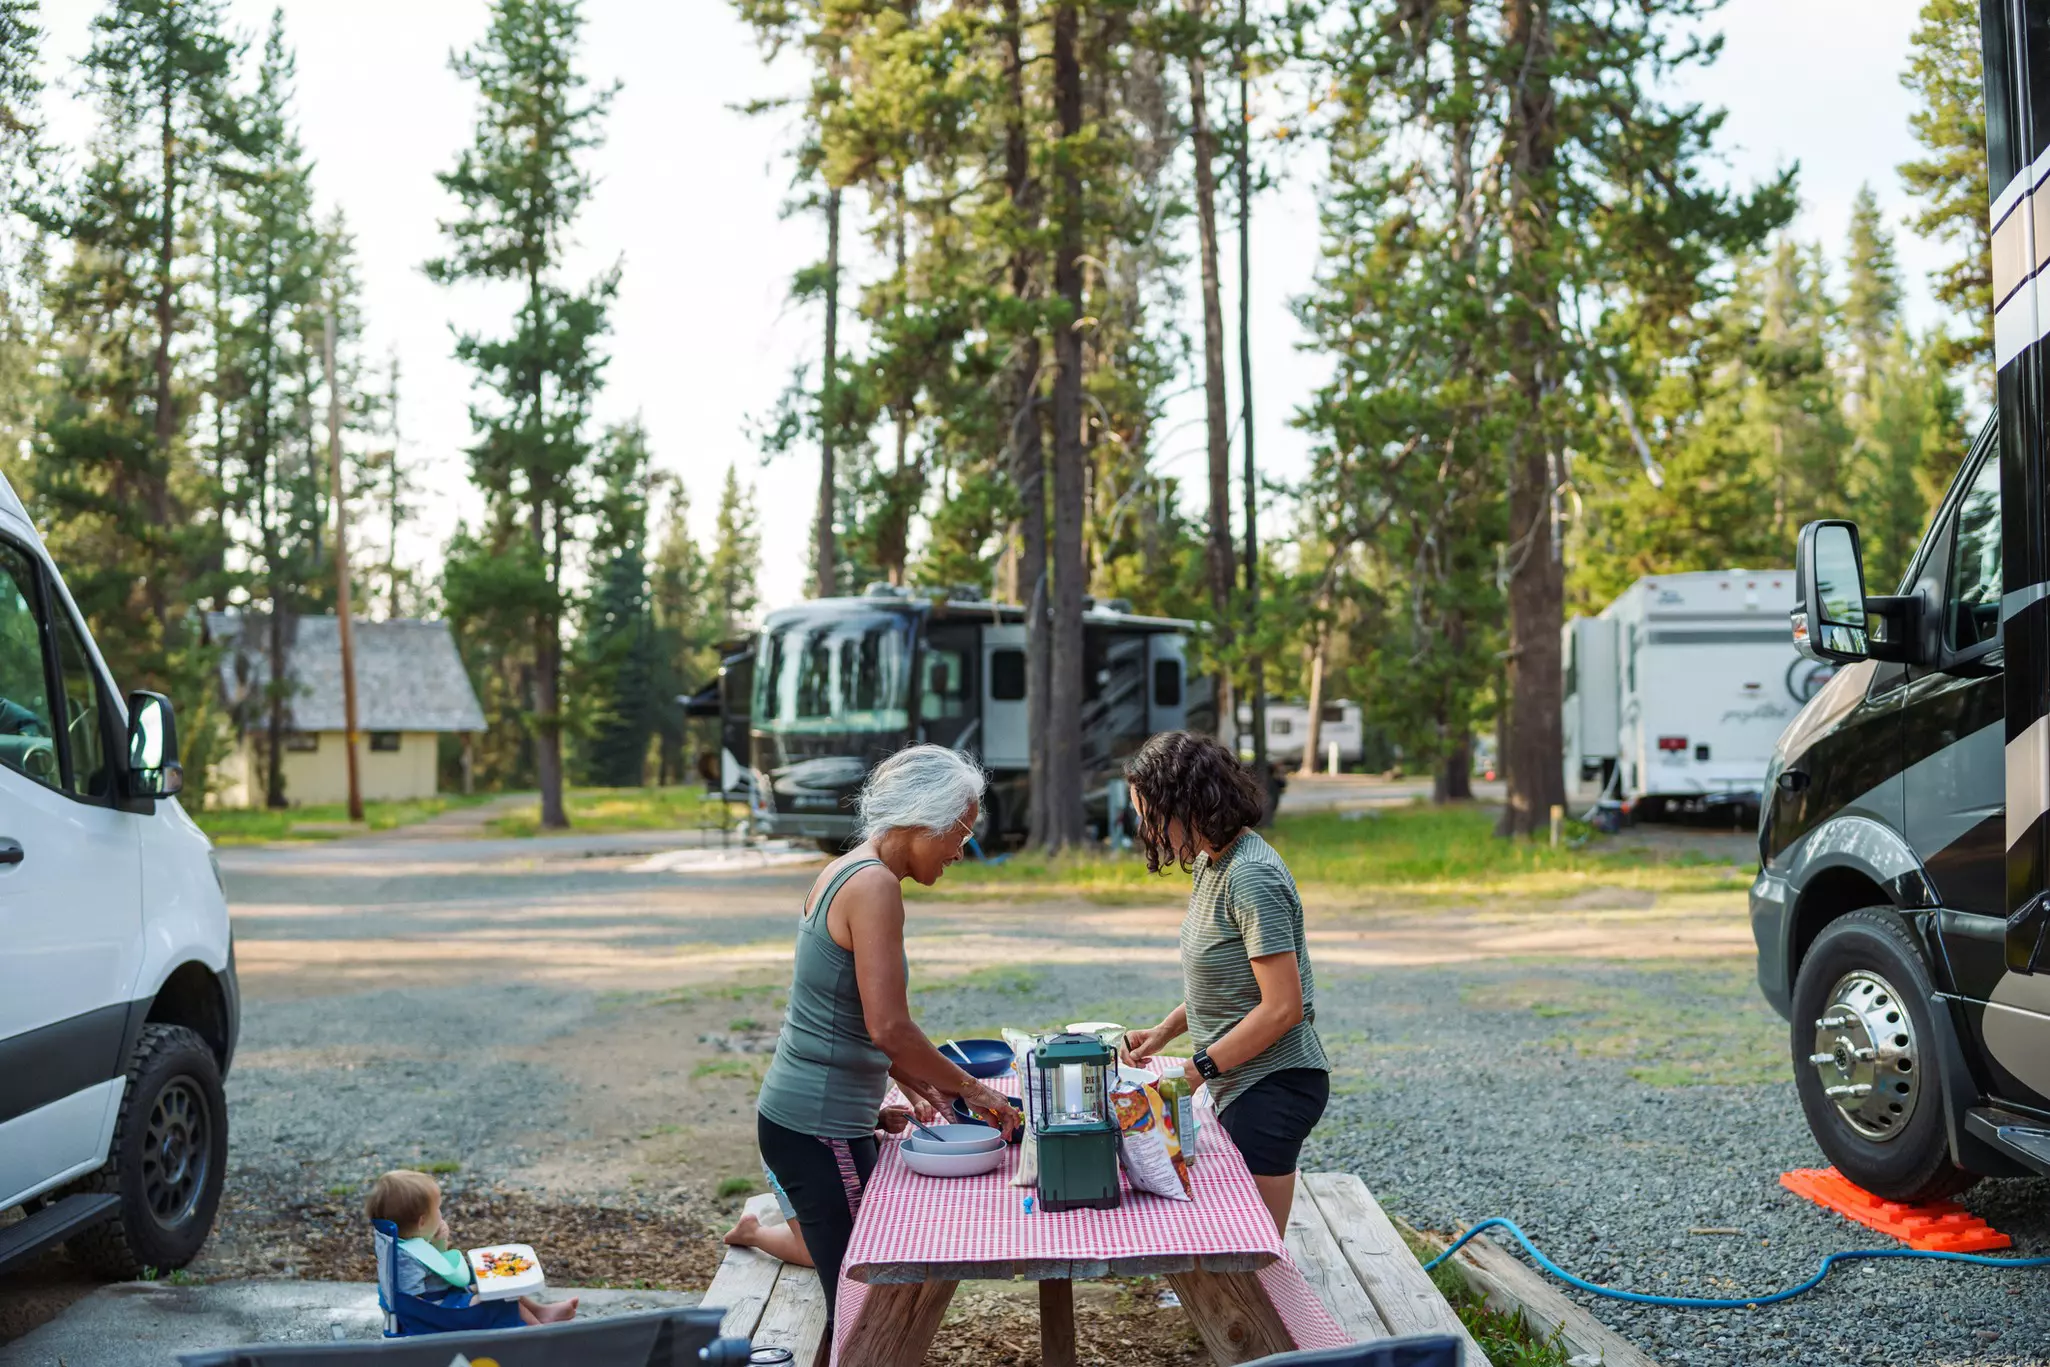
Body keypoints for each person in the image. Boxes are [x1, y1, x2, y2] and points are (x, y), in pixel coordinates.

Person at [752, 744, 1019, 1325]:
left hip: (813, 1118)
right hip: (818, 1128)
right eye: (959, 832)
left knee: (865, 1295)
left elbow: (847, 1015)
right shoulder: (876, 887)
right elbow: (890, 1026)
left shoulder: (847, 868)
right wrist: (973, 1090)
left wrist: (922, 1085)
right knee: (865, 1309)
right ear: (924, 818)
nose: (961, 850)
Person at [1117, 731, 1330, 1234]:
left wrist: (1197, 1070)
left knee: (1253, 1253)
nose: (1146, 829)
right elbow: (1225, 983)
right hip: (1240, 1082)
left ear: (1188, 804)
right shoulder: (1212, 863)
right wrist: (1163, 1033)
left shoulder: (1251, 877)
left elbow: (1282, 1009)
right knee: (1229, 1236)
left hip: (1274, 1086)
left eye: (1150, 814)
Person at [722, 1102, 931, 1267]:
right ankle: (752, 1233)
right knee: (816, 1254)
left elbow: (900, 1058)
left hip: (841, 1144)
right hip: (793, 1151)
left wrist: (911, 1102)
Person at [364, 1169, 577, 1326]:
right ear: (421, 1222)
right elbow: (414, 1305)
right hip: (441, 1311)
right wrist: (469, 1297)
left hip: (446, 1298)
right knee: (500, 1298)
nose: (440, 1214)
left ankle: (541, 1312)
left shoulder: (409, 1242)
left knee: (493, 1281)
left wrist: (439, 1242)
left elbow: (437, 1265)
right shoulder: (405, 1260)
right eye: (437, 1209)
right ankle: (537, 1332)